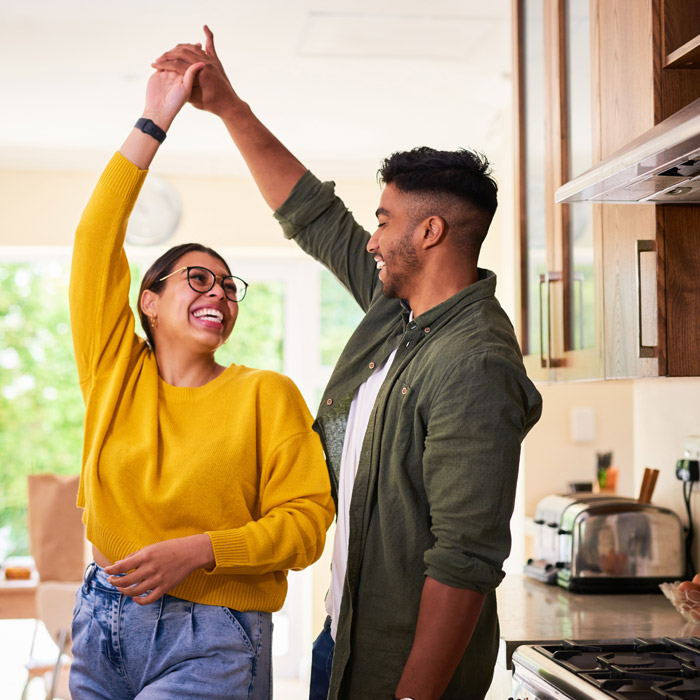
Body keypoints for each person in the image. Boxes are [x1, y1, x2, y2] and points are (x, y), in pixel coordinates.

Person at [154, 27, 543, 700]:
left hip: (402, 671)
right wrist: (227, 105)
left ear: (429, 232)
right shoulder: (400, 313)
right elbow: (314, 215)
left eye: (385, 220)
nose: (371, 237)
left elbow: (465, 562)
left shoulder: (473, 364)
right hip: (345, 640)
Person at [68, 57, 334, 700]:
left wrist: (201, 550)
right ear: (148, 302)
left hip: (213, 635)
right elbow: (94, 240)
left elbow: (306, 522)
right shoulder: (114, 373)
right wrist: (156, 118)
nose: (219, 291)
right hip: (100, 624)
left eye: (228, 284)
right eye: (197, 277)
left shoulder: (264, 395)